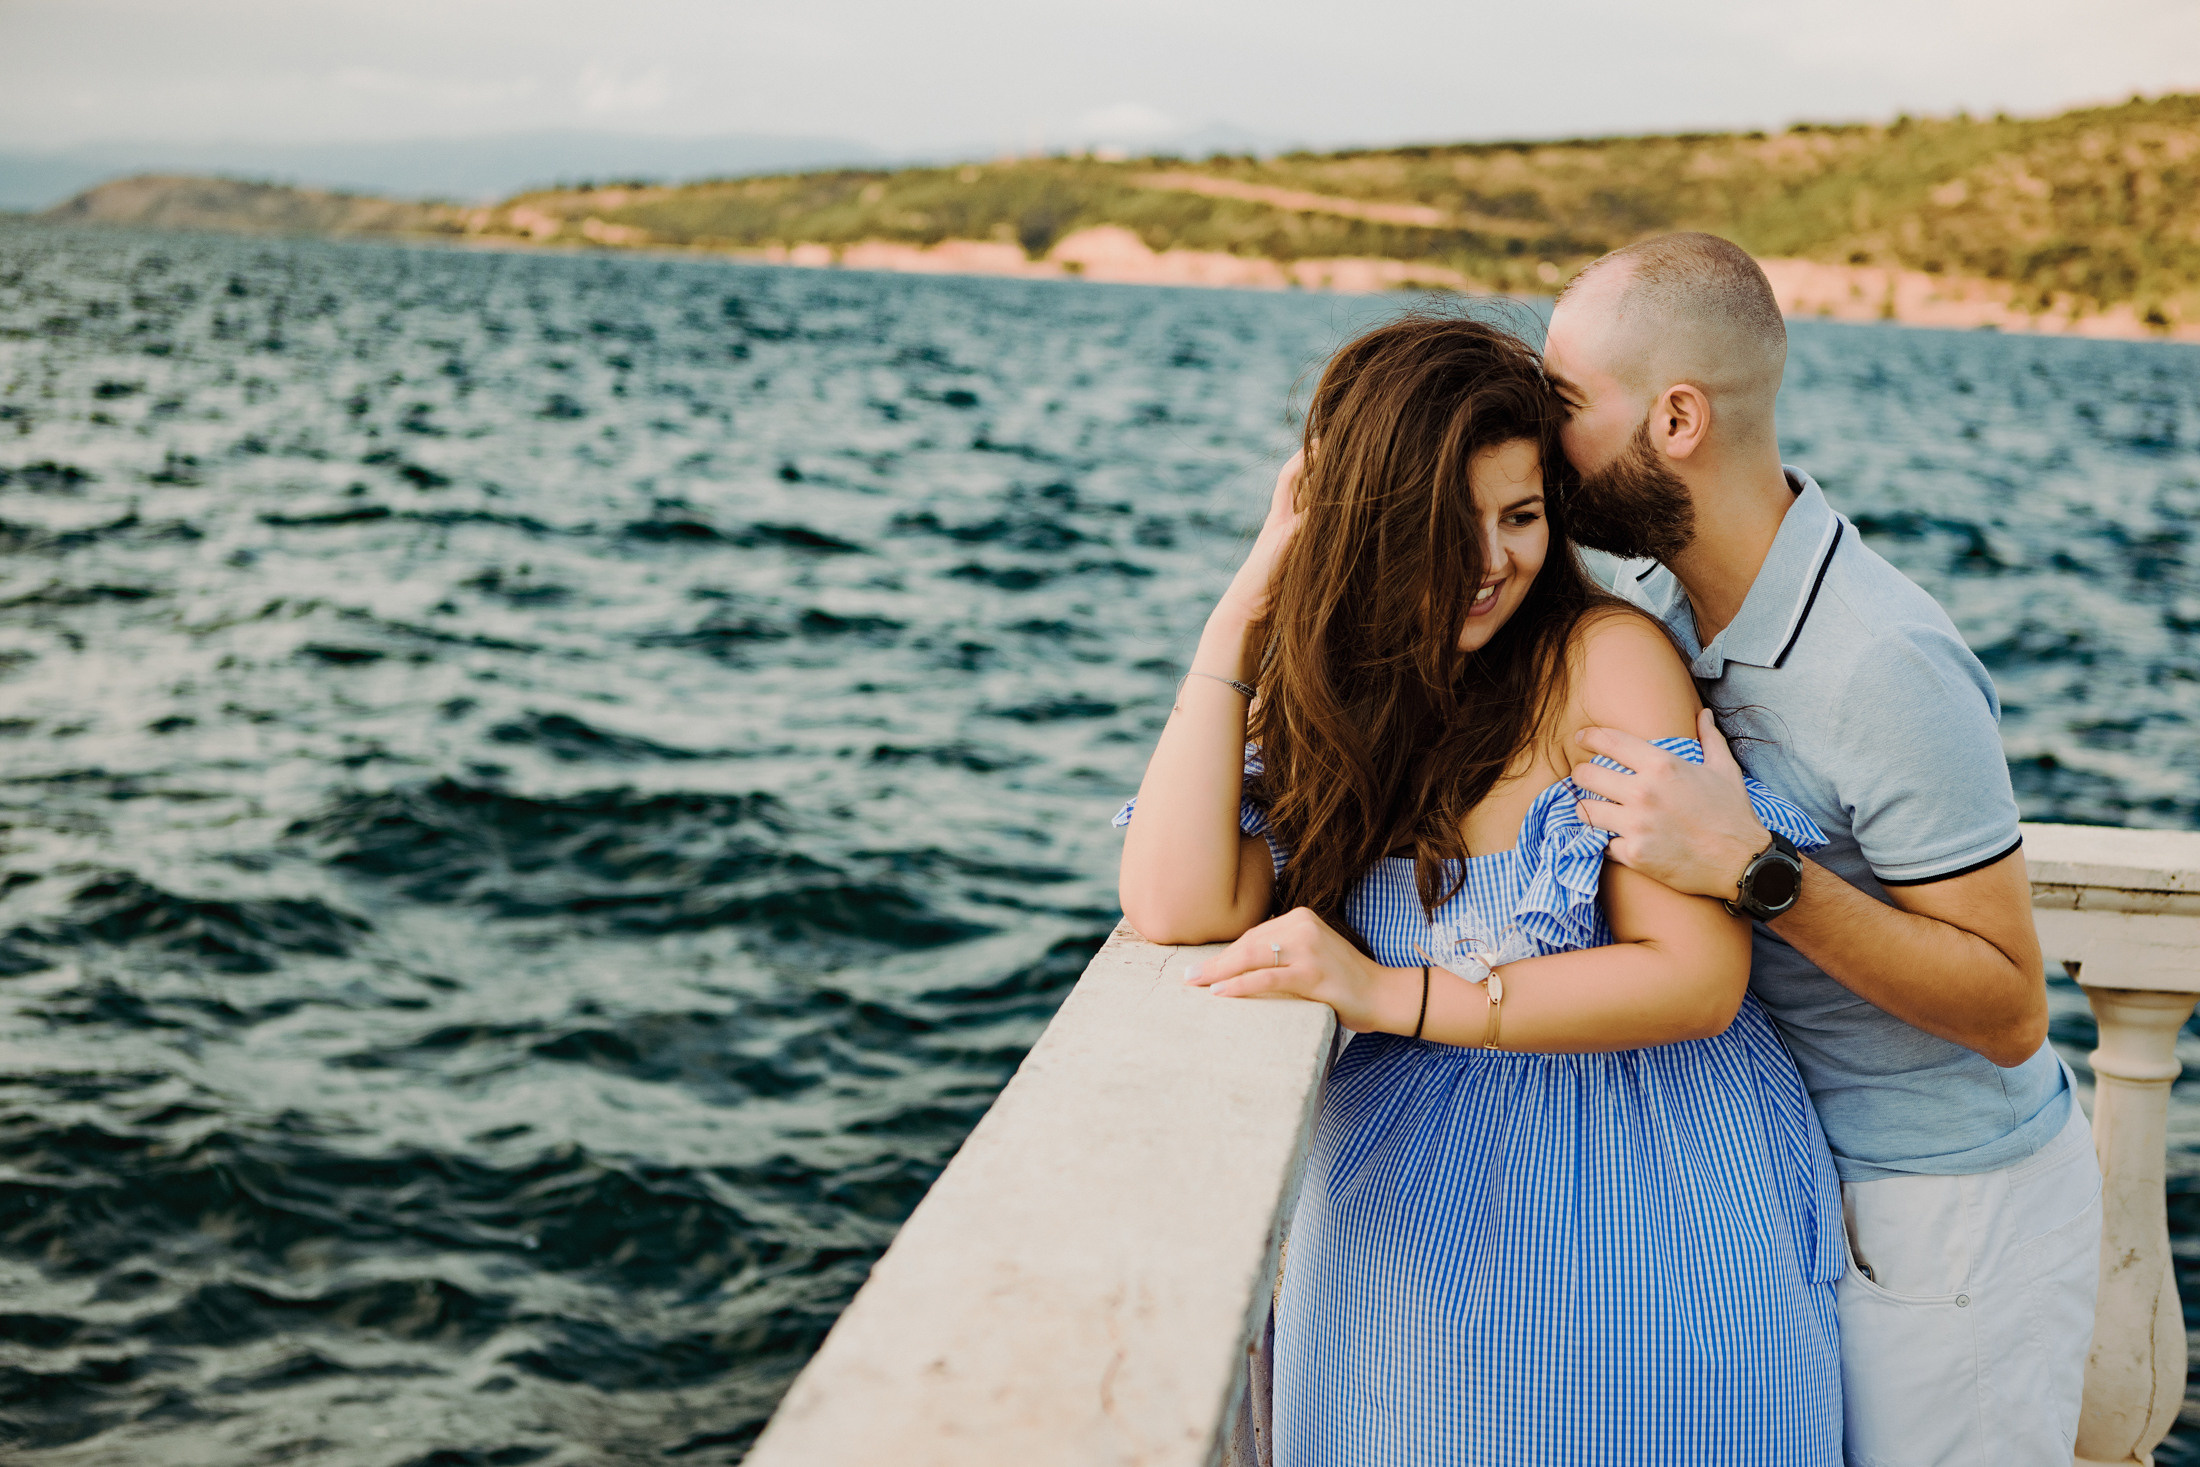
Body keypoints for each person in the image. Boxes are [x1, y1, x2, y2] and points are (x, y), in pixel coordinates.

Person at [1115, 312, 1843, 1465]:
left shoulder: (1602, 661)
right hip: (1399, 1259)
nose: (1490, 563)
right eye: (1443, 528)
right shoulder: (1343, 695)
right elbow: (1173, 903)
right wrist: (1240, 614)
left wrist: (1389, 993)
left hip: (1643, 1229)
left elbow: (1697, 979)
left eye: (1520, 518)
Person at [1541, 232, 2101, 1466]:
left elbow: (2010, 1007)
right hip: (1790, 1191)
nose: (1541, 431)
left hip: (1951, 1219)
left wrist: (1755, 875)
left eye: (1566, 400)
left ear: (1675, 417)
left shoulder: (1879, 662)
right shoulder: (1657, 615)